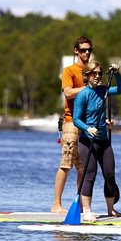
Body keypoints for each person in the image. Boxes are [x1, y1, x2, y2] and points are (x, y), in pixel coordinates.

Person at [72, 60, 121, 222]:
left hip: (103, 140)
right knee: (90, 175)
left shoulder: (104, 90)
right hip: (87, 141)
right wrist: (87, 128)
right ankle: (87, 211)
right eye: (94, 73)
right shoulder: (83, 94)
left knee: (109, 174)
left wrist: (117, 74)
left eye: (100, 73)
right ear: (87, 76)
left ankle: (111, 209)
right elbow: (76, 119)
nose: (98, 76)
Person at [51, 36, 91, 214]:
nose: (87, 53)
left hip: (88, 124)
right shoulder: (69, 71)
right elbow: (68, 93)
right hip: (70, 122)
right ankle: (56, 205)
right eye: (83, 50)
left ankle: (81, 205)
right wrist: (88, 87)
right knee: (66, 163)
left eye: (89, 49)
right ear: (76, 51)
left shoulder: (92, 71)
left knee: (84, 167)